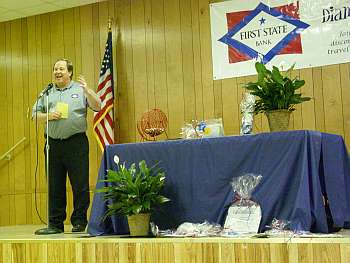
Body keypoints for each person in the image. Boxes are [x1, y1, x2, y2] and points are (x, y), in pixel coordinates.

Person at [32, 58, 101, 234]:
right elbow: (33, 115)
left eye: (61, 69)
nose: (57, 72)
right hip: (53, 145)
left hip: (75, 143)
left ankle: (79, 221)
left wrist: (88, 91)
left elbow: (98, 106)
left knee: (80, 184)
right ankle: (55, 224)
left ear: (69, 72)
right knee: (54, 186)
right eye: (55, 69)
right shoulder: (47, 93)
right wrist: (48, 115)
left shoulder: (80, 89)